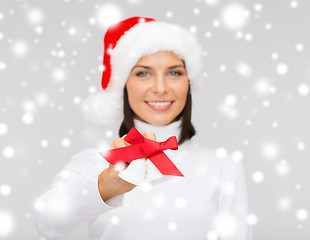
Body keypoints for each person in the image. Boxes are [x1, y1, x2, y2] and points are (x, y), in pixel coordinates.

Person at [34, 16, 252, 240]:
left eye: (174, 72)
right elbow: (47, 222)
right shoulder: (95, 162)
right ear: (123, 85)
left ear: (189, 82)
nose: (160, 88)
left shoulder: (223, 167)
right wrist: (106, 186)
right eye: (143, 73)